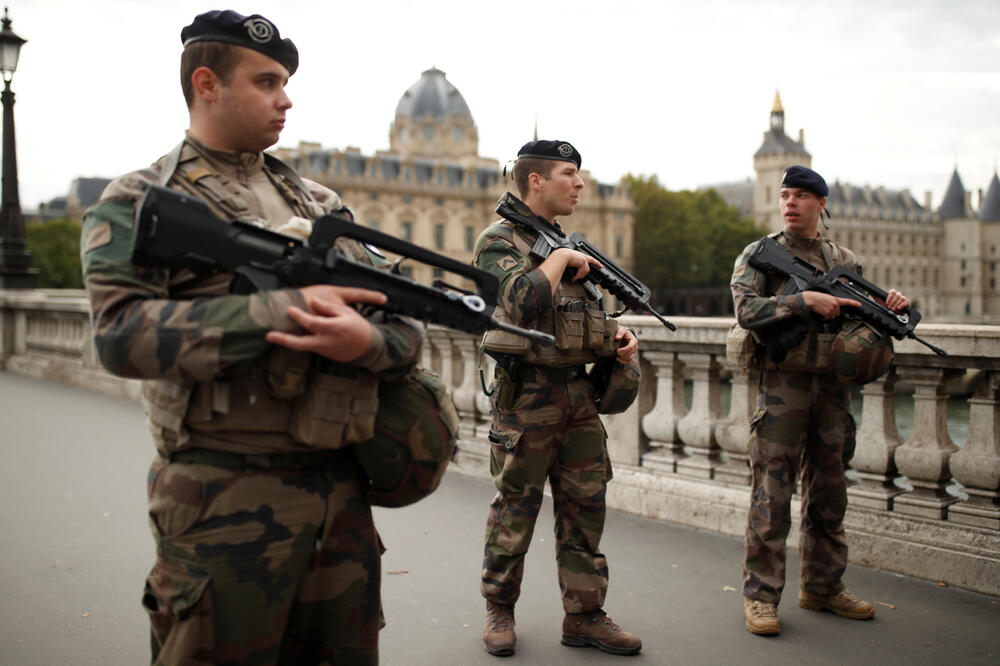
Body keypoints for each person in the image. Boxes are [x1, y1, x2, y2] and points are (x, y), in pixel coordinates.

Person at [80, 10, 424, 664]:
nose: (286, 98)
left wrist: (367, 344)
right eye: (267, 82)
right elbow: (119, 336)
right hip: (218, 497)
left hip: (338, 495)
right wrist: (276, 314)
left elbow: (406, 324)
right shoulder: (138, 199)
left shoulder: (322, 206)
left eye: (286, 82)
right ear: (207, 84)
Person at [474, 140, 642, 657]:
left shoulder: (564, 244)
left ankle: (586, 614)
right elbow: (520, 301)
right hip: (526, 399)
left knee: (585, 511)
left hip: (578, 398)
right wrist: (561, 259)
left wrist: (616, 339)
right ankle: (499, 608)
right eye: (569, 173)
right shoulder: (498, 241)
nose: (580, 184)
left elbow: (579, 317)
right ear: (535, 181)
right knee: (515, 510)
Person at [731, 165, 910, 636]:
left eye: (801, 196)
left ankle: (823, 587)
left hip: (831, 389)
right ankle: (761, 598)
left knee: (830, 494)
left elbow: (861, 325)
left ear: (821, 204)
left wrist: (885, 307)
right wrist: (803, 302)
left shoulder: (843, 259)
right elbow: (746, 311)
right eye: (784, 195)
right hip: (783, 386)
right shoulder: (760, 254)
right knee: (772, 496)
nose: (789, 203)